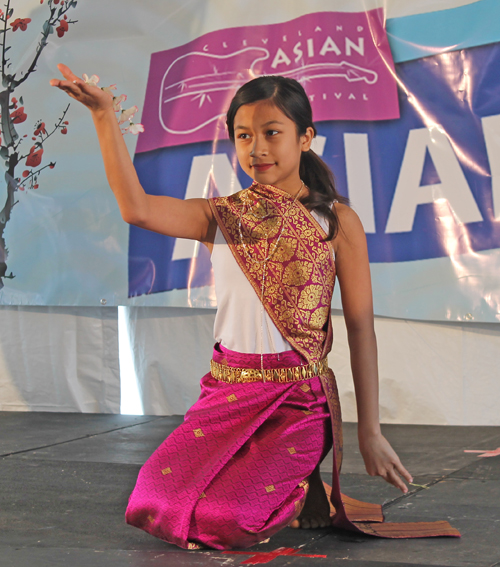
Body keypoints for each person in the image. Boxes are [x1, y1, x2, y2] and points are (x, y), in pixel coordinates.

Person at [50, 65, 459, 550]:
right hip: (226, 394)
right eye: (244, 136)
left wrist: (368, 431)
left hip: (298, 401)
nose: (258, 148)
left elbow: (361, 329)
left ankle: (302, 481)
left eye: (272, 133)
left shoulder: (336, 221)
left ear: (305, 137)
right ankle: (297, 488)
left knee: (228, 522)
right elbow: (135, 207)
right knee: (153, 503)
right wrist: (103, 116)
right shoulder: (219, 217)